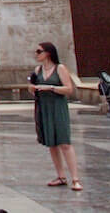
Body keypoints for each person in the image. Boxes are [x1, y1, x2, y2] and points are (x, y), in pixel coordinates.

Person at [30, 40, 81, 191]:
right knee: (51, 143)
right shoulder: (38, 70)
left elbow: (69, 89)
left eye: (39, 51)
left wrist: (51, 87)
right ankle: (61, 176)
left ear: (48, 53)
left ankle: (75, 178)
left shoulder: (60, 68)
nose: (36, 54)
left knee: (64, 142)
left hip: (57, 106)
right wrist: (33, 88)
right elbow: (33, 87)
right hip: (44, 106)